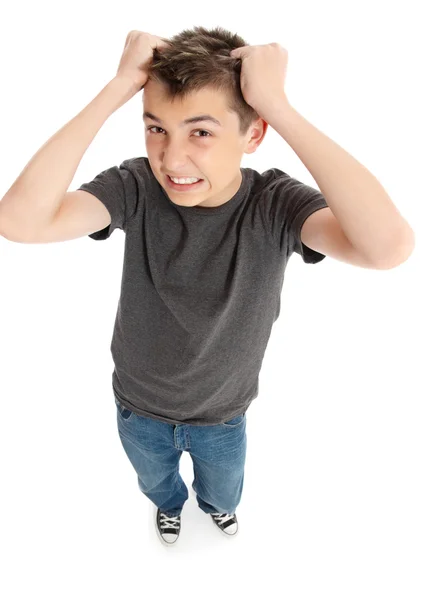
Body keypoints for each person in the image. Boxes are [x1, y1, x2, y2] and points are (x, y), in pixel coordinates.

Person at [0, 26, 362, 547]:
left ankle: (216, 509)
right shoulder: (135, 187)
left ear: (254, 134)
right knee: (156, 483)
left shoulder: (276, 204)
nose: (170, 160)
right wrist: (120, 84)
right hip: (138, 406)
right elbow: (20, 222)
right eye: (155, 128)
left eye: (201, 132)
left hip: (223, 414)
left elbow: (386, 247)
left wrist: (279, 107)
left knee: (224, 489)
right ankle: (170, 508)